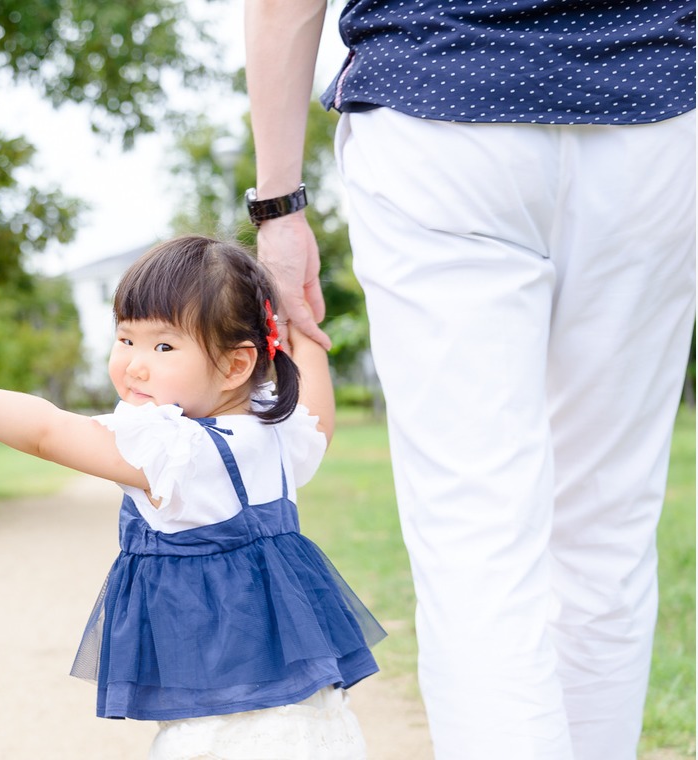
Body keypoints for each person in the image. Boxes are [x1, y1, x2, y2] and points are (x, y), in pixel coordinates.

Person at [243, 1, 696, 758]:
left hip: (441, 104)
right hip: (649, 109)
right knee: (609, 528)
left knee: (474, 533)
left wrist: (280, 205)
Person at [0, 235, 385, 759]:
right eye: (126, 340)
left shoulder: (177, 454)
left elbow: (46, 431)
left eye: (163, 346)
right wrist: (305, 329)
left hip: (224, 723)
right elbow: (321, 412)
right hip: (306, 714)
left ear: (235, 365)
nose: (134, 364)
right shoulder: (276, 433)